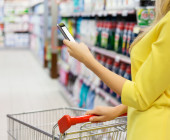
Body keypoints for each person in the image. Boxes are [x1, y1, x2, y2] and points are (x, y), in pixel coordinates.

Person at [63, 0, 170, 139]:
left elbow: (140, 95)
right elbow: (157, 89)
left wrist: (87, 60)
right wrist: (119, 110)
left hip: (154, 130)